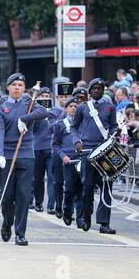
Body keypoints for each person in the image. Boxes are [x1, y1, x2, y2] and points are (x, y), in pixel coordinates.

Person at [0, 73, 47, 246]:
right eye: (14, 84)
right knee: (7, 196)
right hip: (8, 156)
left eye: (20, 85)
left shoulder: (29, 104)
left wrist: (25, 118)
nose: (17, 87)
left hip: (26, 154)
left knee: (23, 196)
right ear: (8, 87)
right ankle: (7, 222)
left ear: (24, 89)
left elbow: (44, 112)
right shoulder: (1, 109)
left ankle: (20, 233)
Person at [71, 78, 118, 234]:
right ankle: (86, 217)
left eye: (99, 88)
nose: (97, 91)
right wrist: (77, 141)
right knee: (87, 186)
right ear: (89, 91)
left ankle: (104, 223)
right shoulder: (82, 108)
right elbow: (74, 127)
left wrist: (114, 133)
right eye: (94, 88)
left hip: (105, 152)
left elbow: (113, 126)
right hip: (87, 152)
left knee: (106, 186)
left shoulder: (110, 107)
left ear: (103, 90)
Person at [52, 97, 84, 227]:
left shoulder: (83, 123)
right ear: (65, 109)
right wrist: (63, 156)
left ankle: (80, 219)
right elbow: (55, 145)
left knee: (81, 189)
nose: (73, 108)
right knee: (69, 189)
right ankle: (67, 210)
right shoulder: (60, 124)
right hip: (68, 161)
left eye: (76, 106)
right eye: (71, 106)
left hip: (81, 160)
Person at [31, 87, 55, 215]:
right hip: (36, 148)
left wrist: (50, 115)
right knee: (37, 178)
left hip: (50, 148)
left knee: (52, 177)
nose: (45, 98)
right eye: (43, 96)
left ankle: (51, 205)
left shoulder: (55, 112)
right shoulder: (35, 112)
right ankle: (39, 202)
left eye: (47, 96)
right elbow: (32, 129)